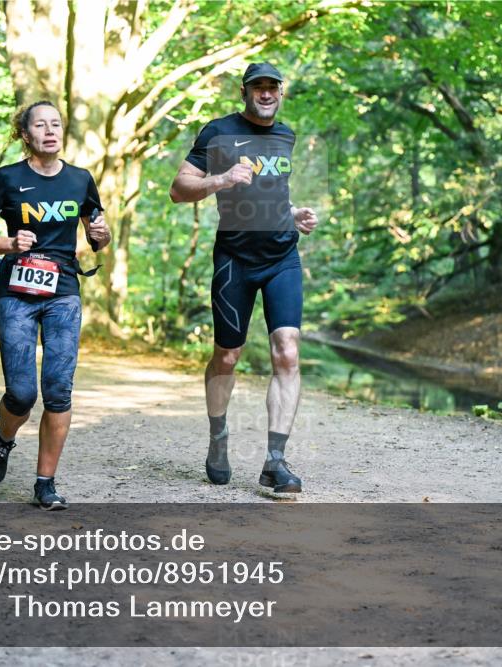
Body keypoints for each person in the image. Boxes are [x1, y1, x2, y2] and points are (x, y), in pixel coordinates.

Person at [169, 62, 319, 494]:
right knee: (227, 357)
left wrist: (294, 214)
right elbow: (179, 189)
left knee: (287, 353)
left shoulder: (286, 136)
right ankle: (218, 437)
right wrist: (220, 178)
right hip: (234, 259)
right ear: (245, 92)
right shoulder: (217, 133)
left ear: (281, 93)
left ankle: (275, 461)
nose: (266, 93)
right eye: (259, 87)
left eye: (273, 87)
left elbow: (269, 197)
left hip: (282, 256)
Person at [0, 100, 111, 510]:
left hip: (64, 290)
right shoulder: (7, 179)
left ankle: (45, 483)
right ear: (26, 135)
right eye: (40, 125)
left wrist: (101, 233)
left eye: (56, 124)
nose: (50, 130)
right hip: (16, 293)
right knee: (23, 393)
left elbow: (98, 235)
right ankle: (4, 440)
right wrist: (8, 243)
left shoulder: (81, 179)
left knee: (58, 391)